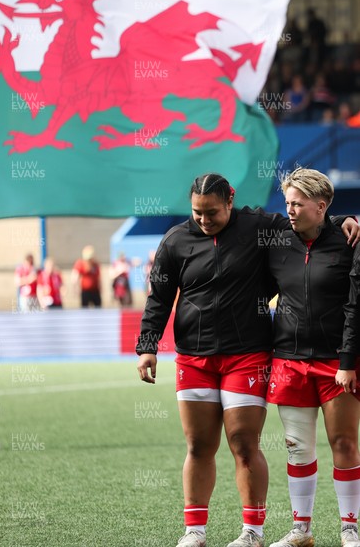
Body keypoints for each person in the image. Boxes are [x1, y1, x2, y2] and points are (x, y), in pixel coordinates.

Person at [136, 173, 360, 547]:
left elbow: (311, 218)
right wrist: (147, 344)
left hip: (249, 355)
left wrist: (345, 218)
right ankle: (195, 531)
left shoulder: (259, 227)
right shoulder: (176, 240)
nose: (204, 220)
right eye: (197, 213)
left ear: (230, 202)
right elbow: (159, 296)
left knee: (244, 442)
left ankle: (254, 531)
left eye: (212, 213)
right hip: (195, 357)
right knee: (198, 445)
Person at [266, 168, 360, 547]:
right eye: (287, 202)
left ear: (320, 207)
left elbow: (355, 306)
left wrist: (348, 361)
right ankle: (301, 530)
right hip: (288, 359)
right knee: (298, 447)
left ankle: (350, 527)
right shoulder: (274, 238)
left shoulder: (348, 242)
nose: (289, 210)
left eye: (298, 204)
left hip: (337, 362)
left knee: (344, 444)